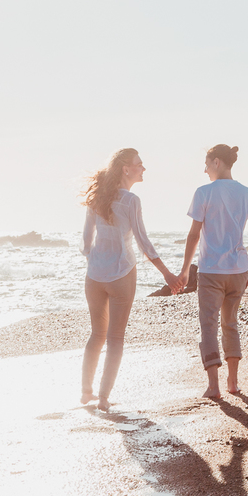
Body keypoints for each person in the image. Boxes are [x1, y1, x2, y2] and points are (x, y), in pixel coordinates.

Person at [81, 148, 181, 411]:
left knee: (96, 334)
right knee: (115, 337)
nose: (143, 168)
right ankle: (103, 398)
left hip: (94, 277)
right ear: (126, 169)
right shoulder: (130, 200)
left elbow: (85, 241)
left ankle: (86, 391)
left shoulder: (97, 197)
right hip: (122, 272)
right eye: (140, 164)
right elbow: (143, 242)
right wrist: (167, 274)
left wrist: (95, 260)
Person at [177, 144, 248, 399]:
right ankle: (233, 383)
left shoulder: (204, 193)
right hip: (238, 271)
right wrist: (247, 270)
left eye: (206, 164)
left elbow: (193, 235)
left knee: (208, 325)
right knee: (230, 324)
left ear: (217, 162)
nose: (204, 170)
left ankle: (214, 386)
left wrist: (184, 271)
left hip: (211, 270)